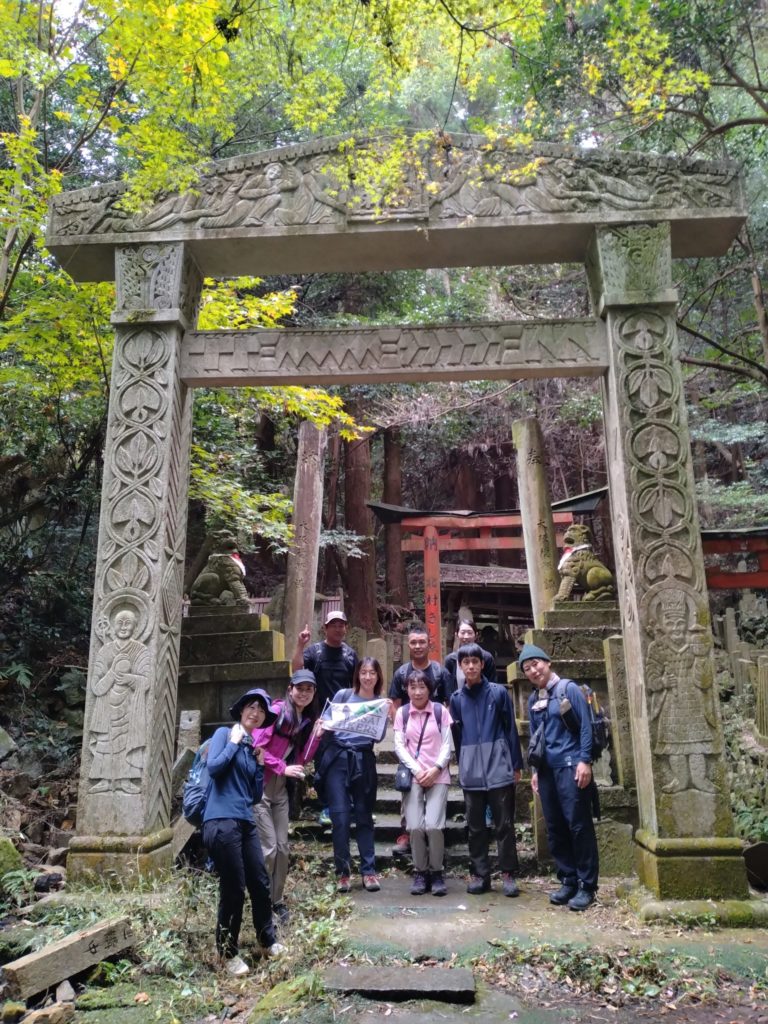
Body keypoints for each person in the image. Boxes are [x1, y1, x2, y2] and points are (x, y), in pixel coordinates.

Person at [201, 687, 285, 976]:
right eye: (251, 706)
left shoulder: (252, 749)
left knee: (260, 881)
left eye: (261, 710)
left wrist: (260, 766)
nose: (256, 713)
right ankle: (227, 952)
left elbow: (252, 795)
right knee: (233, 887)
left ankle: (267, 939)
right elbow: (213, 768)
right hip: (220, 820)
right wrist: (235, 744)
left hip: (245, 821)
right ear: (241, 710)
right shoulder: (225, 735)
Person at [520, 643, 599, 911]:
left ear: (548, 662)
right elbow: (534, 738)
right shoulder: (533, 700)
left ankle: (587, 885)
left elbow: (586, 726)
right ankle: (568, 879)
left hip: (571, 765)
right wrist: (533, 771)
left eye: (536, 664)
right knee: (554, 827)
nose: (533, 670)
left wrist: (584, 760)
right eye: (527, 668)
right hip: (546, 770)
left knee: (578, 825)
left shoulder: (568, 689)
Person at [449, 643, 523, 896]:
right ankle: (481, 875)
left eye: (475, 661)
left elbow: (510, 729)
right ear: (460, 666)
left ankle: (508, 873)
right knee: (476, 827)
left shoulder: (498, 693)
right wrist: (463, 765)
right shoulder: (456, 699)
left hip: (498, 767)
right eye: (465, 662)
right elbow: (457, 737)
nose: (470, 666)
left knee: (504, 823)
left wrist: (515, 764)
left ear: (482, 664)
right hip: (472, 771)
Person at [252, 669, 323, 924]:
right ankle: (259, 901)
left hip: (281, 790)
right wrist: (282, 767)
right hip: (260, 789)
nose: (303, 693)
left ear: (314, 693)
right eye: (299, 688)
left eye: (309, 689)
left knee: (282, 848)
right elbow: (256, 747)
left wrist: (316, 736)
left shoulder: (305, 720)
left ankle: (276, 901)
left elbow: (301, 760)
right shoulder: (278, 712)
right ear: (290, 689)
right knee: (269, 848)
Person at [317, 656, 389, 893]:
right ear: (357, 674)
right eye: (364, 672)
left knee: (364, 816)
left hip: (364, 759)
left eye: (372, 673)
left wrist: (384, 716)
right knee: (340, 818)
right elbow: (325, 720)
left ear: (378, 677)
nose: (367, 677)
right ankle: (343, 874)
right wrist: (321, 725)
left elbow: (377, 737)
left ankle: (369, 871)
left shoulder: (380, 703)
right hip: (338, 759)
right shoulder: (343, 696)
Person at [292, 610, 357, 825]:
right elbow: (297, 669)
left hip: (345, 718)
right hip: (320, 717)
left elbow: (356, 685)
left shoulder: (350, 655)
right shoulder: (315, 652)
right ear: (326, 628)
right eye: (334, 624)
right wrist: (301, 645)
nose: (339, 628)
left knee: (348, 762)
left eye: (342, 624)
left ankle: (349, 803)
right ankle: (327, 806)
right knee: (324, 763)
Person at [393, 669, 453, 896]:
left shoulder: (440, 712)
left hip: (438, 774)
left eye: (422, 687)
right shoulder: (402, 713)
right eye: (412, 687)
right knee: (415, 826)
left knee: (434, 826)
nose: (417, 692)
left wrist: (436, 769)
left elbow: (448, 744)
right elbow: (399, 746)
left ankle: (436, 872)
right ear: (407, 689)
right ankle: (421, 871)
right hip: (414, 775)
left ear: (430, 689)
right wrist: (418, 770)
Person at [389, 623, 449, 710]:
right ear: (408, 645)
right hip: (408, 721)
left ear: (429, 644)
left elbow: (449, 705)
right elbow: (395, 707)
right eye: (413, 643)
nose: (417, 646)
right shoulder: (401, 674)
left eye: (422, 642)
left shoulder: (441, 673)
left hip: (435, 721)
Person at [443, 619, 497, 701]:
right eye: (463, 632)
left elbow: (492, 683)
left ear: (476, 635)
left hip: (482, 702)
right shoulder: (450, 660)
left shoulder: (486, 657)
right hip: (458, 704)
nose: (466, 636)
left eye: (470, 633)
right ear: (456, 635)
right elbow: (448, 686)